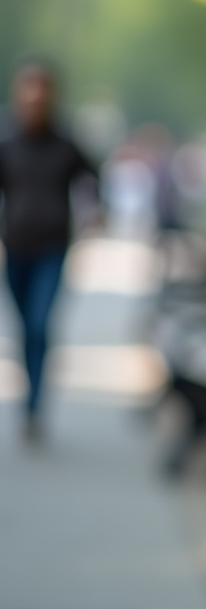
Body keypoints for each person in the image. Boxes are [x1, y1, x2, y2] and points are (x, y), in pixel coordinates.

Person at [0, 62, 98, 441]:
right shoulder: (7, 144)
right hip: (16, 248)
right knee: (26, 328)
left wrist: (95, 213)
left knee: (40, 325)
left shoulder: (65, 145)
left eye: (42, 90)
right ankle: (29, 395)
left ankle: (34, 408)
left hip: (52, 250)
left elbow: (95, 176)